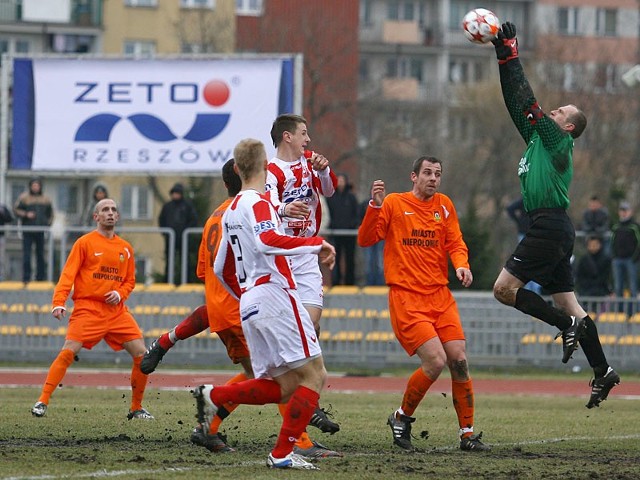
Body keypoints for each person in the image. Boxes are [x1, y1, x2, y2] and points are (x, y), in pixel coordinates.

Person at [141, 160, 339, 454]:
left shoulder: (217, 216)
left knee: (263, 376)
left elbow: (209, 271)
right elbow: (267, 244)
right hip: (246, 307)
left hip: (226, 308)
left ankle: (207, 426)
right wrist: (311, 245)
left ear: (225, 185)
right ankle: (298, 442)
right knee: (279, 378)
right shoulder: (248, 212)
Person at [490, 21, 620, 408]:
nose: (554, 108)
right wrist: (501, 57)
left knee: (503, 290)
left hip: (549, 226)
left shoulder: (558, 140)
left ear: (567, 125)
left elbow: (528, 101)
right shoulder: (536, 140)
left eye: (561, 109)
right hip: (553, 228)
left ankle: (565, 328)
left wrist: (513, 51)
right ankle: (604, 371)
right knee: (572, 305)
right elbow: (515, 103)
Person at [193, 138, 336, 470]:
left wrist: (245, 294)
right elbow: (267, 240)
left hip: (251, 301)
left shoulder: (231, 210)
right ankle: (283, 453)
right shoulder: (258, 202)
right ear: (262, 166)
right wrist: (316, 244)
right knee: (315, 375)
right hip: (273, 294)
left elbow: (219, 267)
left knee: (285, 386)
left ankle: (213, 397)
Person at [357, 155, 490, 453]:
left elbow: (455, 241)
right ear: (413, 176)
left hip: (440, 296)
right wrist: (374, 205)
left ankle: (467, 433)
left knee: (459, 360)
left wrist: (461, 264)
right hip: (406, 297)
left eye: (437, 174)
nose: (433, 178)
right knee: (435, 361)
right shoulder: (393, 203)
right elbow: (366, 239)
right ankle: (402, 418)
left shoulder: (444, 205)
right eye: (427, 173)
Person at [31, 198, 153, 420]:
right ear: (96, 217)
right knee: (69, 350)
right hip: (88, 308)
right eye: (104, 210)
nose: (110, 213)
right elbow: (68, 275)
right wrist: (59, 301)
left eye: (113, 210)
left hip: (116, 311)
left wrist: (120, 293)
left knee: (142, 355)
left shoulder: (125, 248)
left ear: (117, 217)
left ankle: (136, 407)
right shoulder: (84, 243)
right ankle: (42, 400)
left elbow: (130, 281)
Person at [264, 114, 342, 458]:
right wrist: (284, 208)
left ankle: (306, 395)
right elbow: (263, 208)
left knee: (310, 325)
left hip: (308, 254)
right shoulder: (272, 171)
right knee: (296, 335)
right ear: (287, 136)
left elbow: (330, 190)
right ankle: (304, 397)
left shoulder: (310, 163)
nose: (308, 140)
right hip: (282, 257)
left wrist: (324, 172)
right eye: (304, 134)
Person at [14, 177, 54, 283]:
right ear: (30, 186)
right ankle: (26, 278)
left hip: (40, 231)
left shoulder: (46, 199)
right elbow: (16, 210)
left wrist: (47, 224)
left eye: (37, 185)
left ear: (40, 187)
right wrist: (26, 214)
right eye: (33, 185)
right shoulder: (24, 197)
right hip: (28, 230)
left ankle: (40, 278)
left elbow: (51, 214)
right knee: (27, 255)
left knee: (40, 255)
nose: (35, 187)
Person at [158, 182, 198, 284]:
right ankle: (167, 281)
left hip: (183, 239)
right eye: (174, 193)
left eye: (177, 193)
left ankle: (187, 281)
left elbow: (193, 219)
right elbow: (161, 219)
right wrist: (165, 233)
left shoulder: (187, 206)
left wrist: (186, 231)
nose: (175, 195)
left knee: (185, 260)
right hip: (170, 238)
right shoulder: (167, 206)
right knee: (169, 260)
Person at [325, 173, 360, 285]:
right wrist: (332, 225)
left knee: (350, 259)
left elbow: (356, 214)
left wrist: (352, 225)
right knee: (335, 257)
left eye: (342, 180)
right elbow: (327, 214)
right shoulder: (331, 198)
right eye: (338, 180)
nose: (340, 183)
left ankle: (350, 282)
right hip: (335, 233)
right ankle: (336, 281)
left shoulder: (351, 197)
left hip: (349, 234)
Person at [505, 197, 542, 294]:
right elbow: (510, 209)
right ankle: (529, 287)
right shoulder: (525, 200)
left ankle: (535, 288)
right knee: (526, 260)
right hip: (528, 232)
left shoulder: (535, 200)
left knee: (533, 260)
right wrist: (519, 222)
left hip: (535, 233)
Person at [610, 201, 640, 302]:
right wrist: (614, 256)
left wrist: (635, 258)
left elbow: (638, 243)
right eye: (622, 210)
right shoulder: (616, 226)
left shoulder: (634, 226)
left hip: (630, 260)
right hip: (618, 259)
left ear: (630, 212)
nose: (624, 213)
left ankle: (632, 312)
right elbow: (612, 242)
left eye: (625, 210)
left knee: (632, 286)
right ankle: (620, 311)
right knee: (618, 286)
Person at [0, 202, 13, 280]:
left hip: (1, 236)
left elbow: (10, 218)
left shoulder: (2, 207)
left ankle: (1, 277)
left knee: (1, 258)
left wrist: (2, 213)